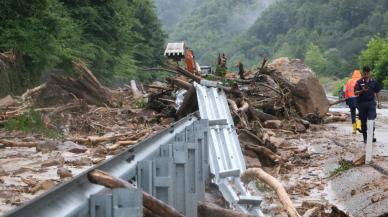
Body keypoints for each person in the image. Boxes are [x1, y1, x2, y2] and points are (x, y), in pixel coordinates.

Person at [354, 66, 382, 143]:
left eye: (367, 73)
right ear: (363, 73)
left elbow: (378, 92)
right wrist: (361, 91)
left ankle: (371, 136)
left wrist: (379, 102)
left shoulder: (374, 82)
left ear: (370, 73)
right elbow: (355, 92)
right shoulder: (359, 82)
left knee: (371, 120)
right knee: (363, 121)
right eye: (365, 73)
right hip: (362, 104)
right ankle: (365, 137)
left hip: (371, 103)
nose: (366, 74)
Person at [344, 70, 362, 134]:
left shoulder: (349, 81)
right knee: (361, 112)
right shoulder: (361, 81)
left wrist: (346, 99)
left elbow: (346, 91)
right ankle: (359, 126)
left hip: (351, 99)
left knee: (353, 114)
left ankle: (354, 129)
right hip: (359, 99)